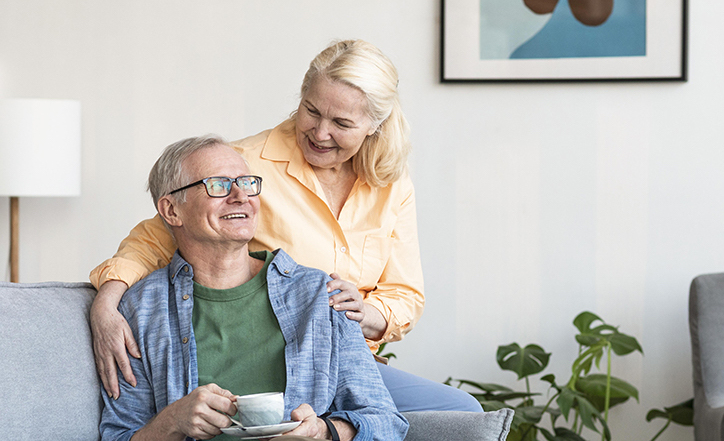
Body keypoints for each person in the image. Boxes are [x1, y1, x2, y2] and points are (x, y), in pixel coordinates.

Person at [88, 39, 480, 412]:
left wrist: (366, 312)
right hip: (277, 358)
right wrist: (105, 305)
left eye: (341, 122)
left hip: (350, 361)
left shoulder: (390, 182)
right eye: (311, 111)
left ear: (374, 125)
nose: (320, 132)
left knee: (462, 413)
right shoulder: (244, 167)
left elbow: (404, 293)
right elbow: (153, 237)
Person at [100, 135, 433, 441]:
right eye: (218, 185)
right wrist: (174, 421)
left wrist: (324, 431)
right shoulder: (141, 313)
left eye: (247, 183)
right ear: (171, 210)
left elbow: (386, 425)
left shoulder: (318, 295)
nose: (240, 196)